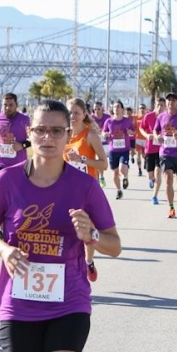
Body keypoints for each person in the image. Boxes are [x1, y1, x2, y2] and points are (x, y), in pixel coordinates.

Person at [0, 99, 121, 352]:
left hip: (68, 304)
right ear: (29, 133)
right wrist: (4, 250)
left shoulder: (85, 187)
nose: (48, 138)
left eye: (56, 131)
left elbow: (114, 244)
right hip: (18, 304)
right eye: (40, 130)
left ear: (69, 135)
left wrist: (91, 235)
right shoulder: (7, 180)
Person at [64, 97, 108, 283]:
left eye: (76, 112)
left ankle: (88, 261)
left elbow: (104, 164)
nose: (72, 116)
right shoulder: (63, 135)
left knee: (87, 231)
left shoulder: (90, 135)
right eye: (69, 112)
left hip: (88, 191)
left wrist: (81, 160)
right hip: (66, 191)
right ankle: (70, 270)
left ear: (83, 115)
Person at [0, 93, 30, 180]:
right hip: (0, 164)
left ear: (16, 105)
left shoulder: (25, 120)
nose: (7, 108)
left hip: (19, 165)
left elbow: (33, 139)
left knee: (18, 193)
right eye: (5, 105)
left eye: (11, 105)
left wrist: (22, 145)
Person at [102, 101, 136, 200]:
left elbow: (133, 131)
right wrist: (105, 134)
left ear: (122, 109)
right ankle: (119, 190)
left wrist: (130, 132)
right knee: (115, 173)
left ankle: (125, 177)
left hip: (124, 149)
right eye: (114, 107)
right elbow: (104, 131)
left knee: (122, 168)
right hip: (113, 150)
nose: (116, 109)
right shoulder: (109, 121)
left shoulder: (127, 121)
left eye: (118, 107)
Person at [140, 97, 167, 205]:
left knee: (158, 172)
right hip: (150, 148)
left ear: (165, 106)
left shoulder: (167, 117)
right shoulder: (149, 116)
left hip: (162, 149)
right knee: (150, 174)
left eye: (162, 105)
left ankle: (154, 196)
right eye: (158, 105)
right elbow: (141, 128)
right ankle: (151, 180)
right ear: (155, 105)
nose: (160, 107)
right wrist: (147, 135)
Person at [90, 101, 111, 187]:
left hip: (105, 142)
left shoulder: (107, 117)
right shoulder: (91, 118)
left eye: (98, 109)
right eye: (95, 109)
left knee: (101, 160)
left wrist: (107, 133)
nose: (97, 111)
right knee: (96, 161)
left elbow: (111, 128)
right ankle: (99, 178)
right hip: (94, 142)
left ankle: (101, 176)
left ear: (102, 108)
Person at [132, 104, 148, 176]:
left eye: (143, 108)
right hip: (138, 139)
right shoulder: (135, 117)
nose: (142, 109)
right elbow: (133, 127)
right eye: (140, 108)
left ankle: (145, 160)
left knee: (144, 155)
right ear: (138, 109)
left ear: (145, 109)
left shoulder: (148, 117)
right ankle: (139, 170)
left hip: (146, 139)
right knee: (138, 154)